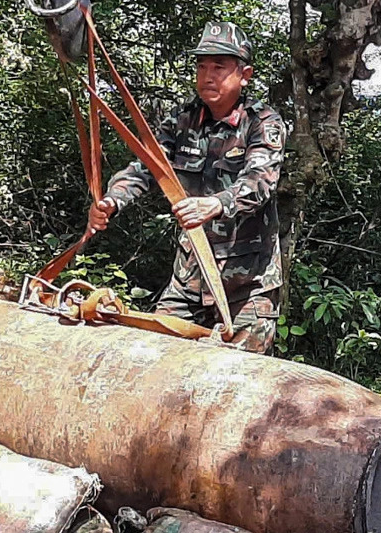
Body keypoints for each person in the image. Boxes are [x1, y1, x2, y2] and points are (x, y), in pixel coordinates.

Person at [87, 22, 287, 353]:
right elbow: (147, 167)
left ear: (244, 74)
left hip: (246, 286)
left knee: (237, 381)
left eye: (219, 67)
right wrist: (111, 200)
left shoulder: (263, 123)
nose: (208, 75)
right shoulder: (182, 120)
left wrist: (216, 204)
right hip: (190, 275)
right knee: (154, 357)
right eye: (202, 66)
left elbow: (260, 180)